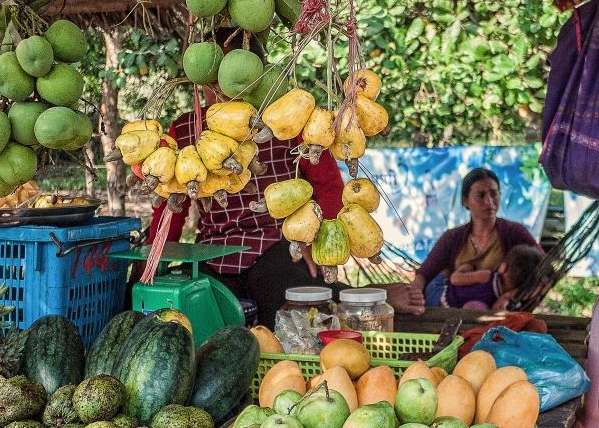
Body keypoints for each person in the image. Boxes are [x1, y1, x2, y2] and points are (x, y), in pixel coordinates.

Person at [140, 29, 425, 329]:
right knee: (185, 300)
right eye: (214, 81)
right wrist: (151, 261)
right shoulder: (185, 129)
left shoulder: (289, 118)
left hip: (276, 245)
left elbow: (328, 189)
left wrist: (314, 242)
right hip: (212, 252)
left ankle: (367, 299)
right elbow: (170, 206)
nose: (222, 90)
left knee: (299, 294)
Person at [412, 167, 543, 307]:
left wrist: (509, 296)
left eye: (494, 194)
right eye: (480, 195)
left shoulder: (514, 232)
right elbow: (424, 274)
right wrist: (414, 297)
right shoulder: (452, 238)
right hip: (453, 316)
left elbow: (546, 271)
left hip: (500, 317)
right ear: (465, 201)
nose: (489, 201)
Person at [445, 242, 543, 310]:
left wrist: (461, 269)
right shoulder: (513, 300)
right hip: (451, 301)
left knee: (478, 307)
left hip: (446, 297)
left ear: (503, 267)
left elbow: (454, 279)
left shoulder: (488, 276)